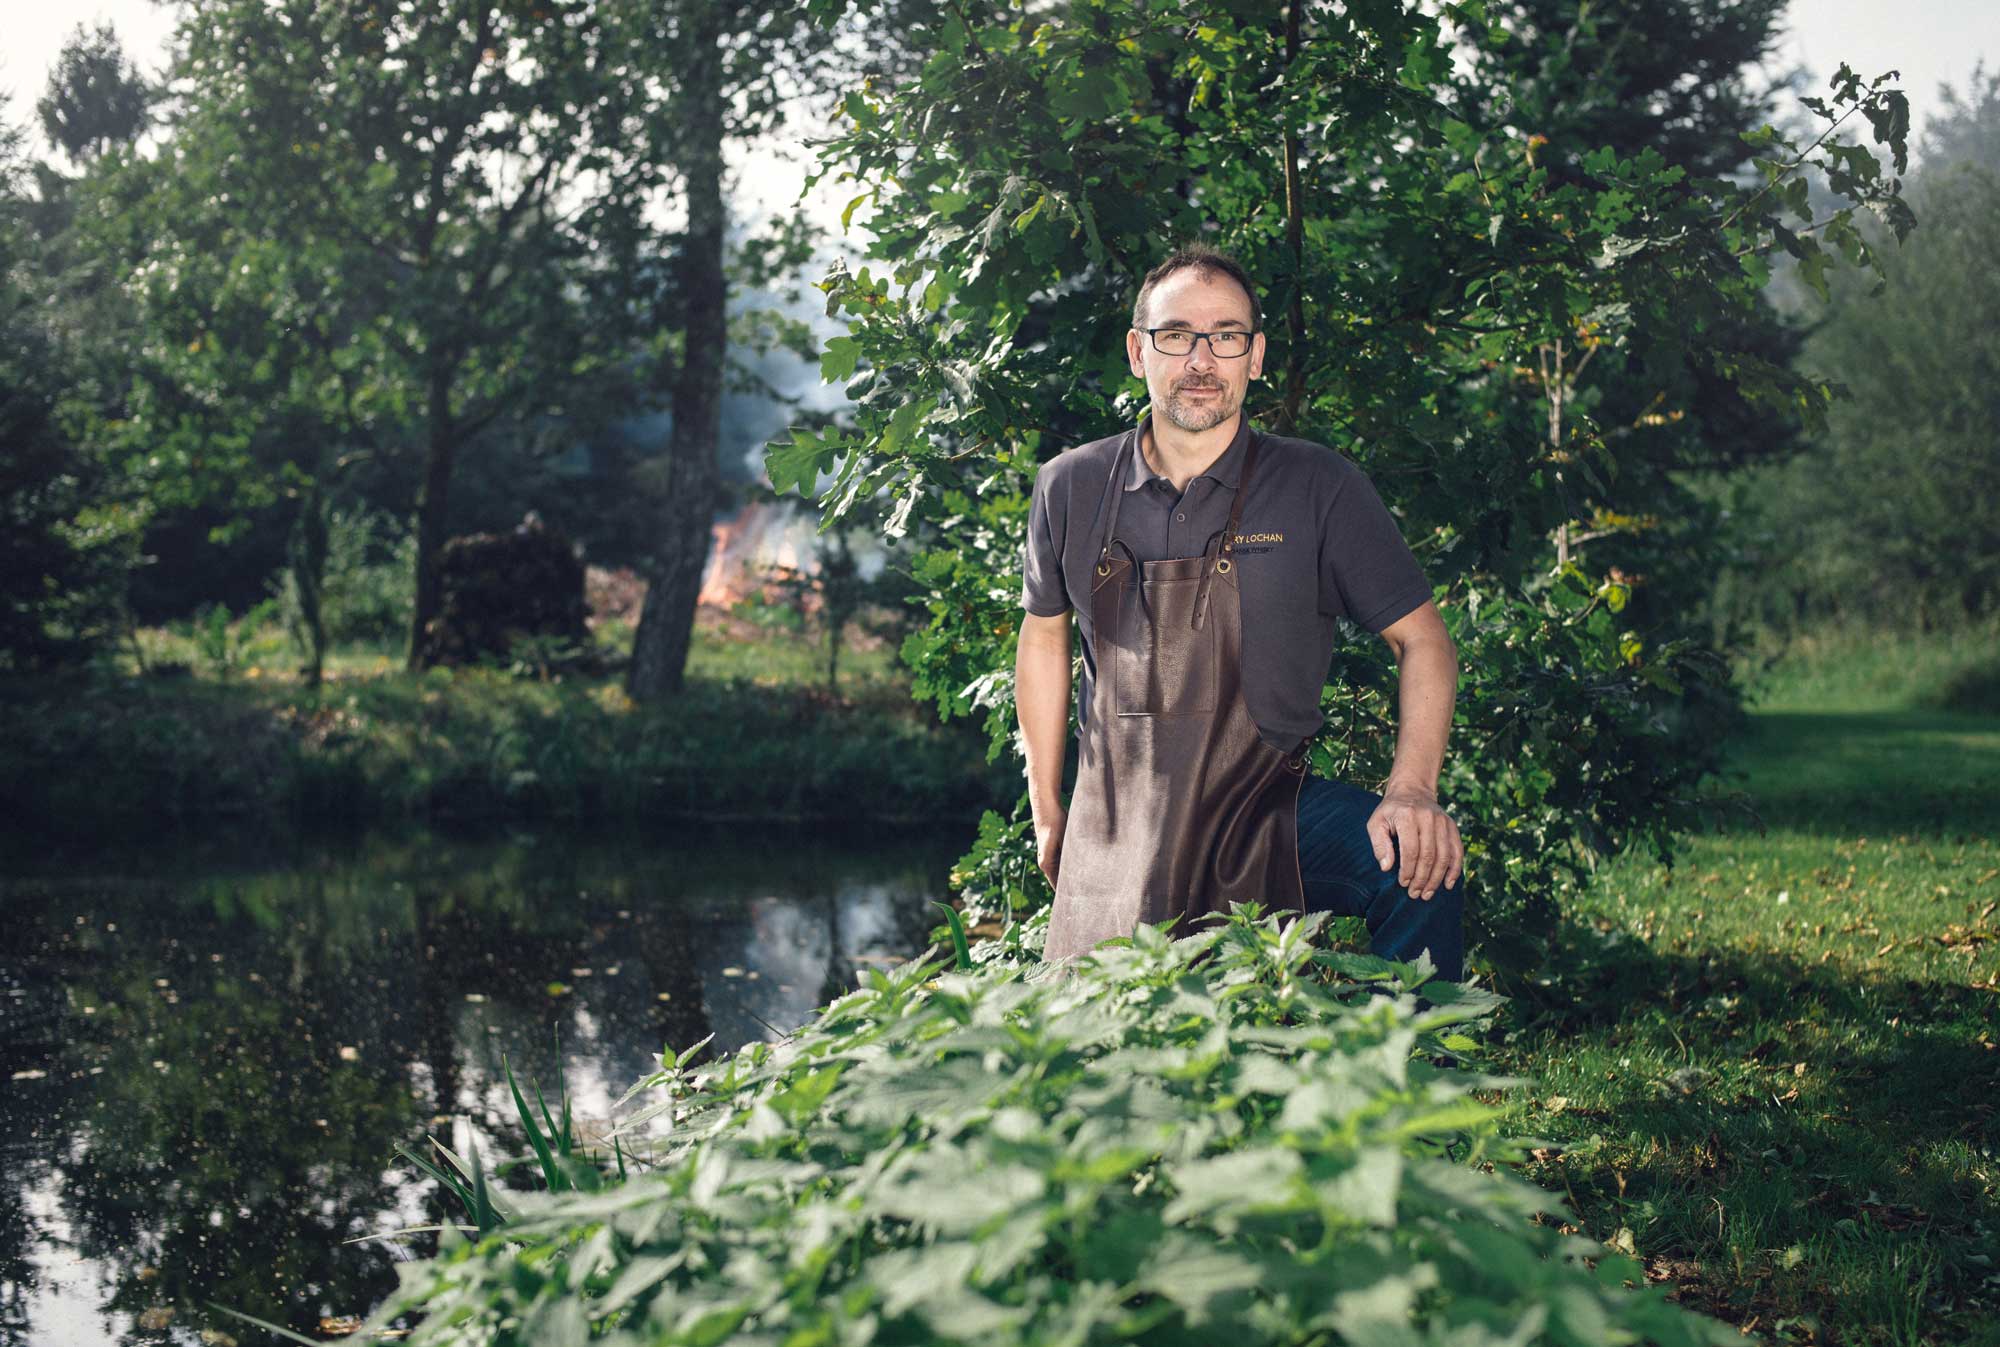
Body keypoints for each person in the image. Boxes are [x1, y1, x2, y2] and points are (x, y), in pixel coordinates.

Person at [1014, 243, 1465, 986]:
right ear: (1138, 351)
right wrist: (1048, 803)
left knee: (1420, 867)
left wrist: (1411, 789)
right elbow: (1044, 637)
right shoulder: (1070, 487)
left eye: (1225, 336)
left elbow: (1424, 641)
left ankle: (1413, 1079)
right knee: (1109, 1059)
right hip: (1119, 818)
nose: (1201, 358)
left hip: (1263, 811)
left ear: (1254, 357)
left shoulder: (1318, 485)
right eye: (1177, 335)